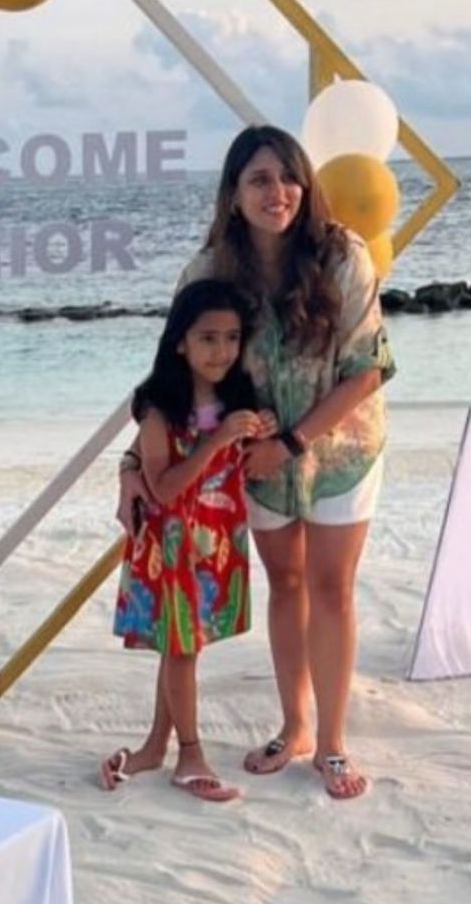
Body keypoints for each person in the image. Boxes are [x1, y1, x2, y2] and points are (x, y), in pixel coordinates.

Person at [116, 124, 395, 800]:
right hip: (253, 464)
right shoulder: (211, 271)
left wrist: (293, 442)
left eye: (289, 177)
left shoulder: (341, 256)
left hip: (341, 451)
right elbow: (172, 377)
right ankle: (293, 726)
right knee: (286, 583)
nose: (279, 192)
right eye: (260, 180)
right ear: (234, 195)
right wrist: (132, 462)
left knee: (331, 586)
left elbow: (370, 369)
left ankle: (330, 744)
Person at [98, 279, 271, 803]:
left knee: (182, 650)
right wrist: (219, 439)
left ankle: (154, 747)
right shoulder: (159, 410)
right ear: (181, 343)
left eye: (232, 338)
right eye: (208, 339)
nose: (222, 351)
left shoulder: (232, 397)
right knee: (182, 650)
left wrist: (259, 429)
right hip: (172, 546)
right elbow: (166, 489)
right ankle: (189, 754)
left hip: (214, 544)